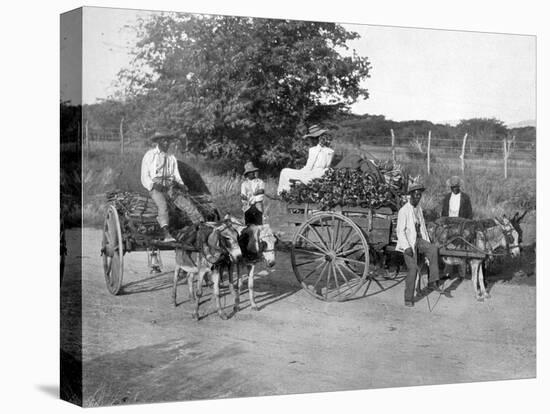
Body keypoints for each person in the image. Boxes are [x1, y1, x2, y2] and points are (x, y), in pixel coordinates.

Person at [141, 130, 201, 242]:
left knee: (187, 205)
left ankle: (200, 227)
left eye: (168, 140)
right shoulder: (150, 155)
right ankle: (166, 233)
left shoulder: (171, 157)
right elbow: (145, 175)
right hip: (156, 188)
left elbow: (175, 174)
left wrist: (182, 184)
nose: (166, 142)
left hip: (170, 187)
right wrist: (153, 185)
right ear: (158, 142)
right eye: (163, 140)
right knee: (163, 206)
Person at [396, 182, 442, 307]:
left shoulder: (419, 209)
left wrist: (426, 243)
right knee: (413, 270)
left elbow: (422, 228)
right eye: (415, 195)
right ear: (410, 195)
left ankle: (433, 281)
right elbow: (400, 231)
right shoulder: (403, 211)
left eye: (419, 195)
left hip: (418, 241)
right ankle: (408, 298)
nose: (418, 197)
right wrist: (406, 247)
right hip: (408, 244)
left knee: (433, 249)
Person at [277, 124, 334, 194]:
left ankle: (283, 193)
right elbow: (327, 166)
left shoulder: (313, 150)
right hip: (322, 174)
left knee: (284, 172)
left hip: (312, 174)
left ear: (315, 139)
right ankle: (288, 191)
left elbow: (309, 167)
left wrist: (301, 172)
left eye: (311, 139)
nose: (310, 141)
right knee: (291, 173)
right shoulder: (330, 151)